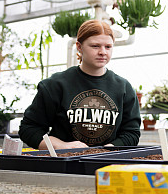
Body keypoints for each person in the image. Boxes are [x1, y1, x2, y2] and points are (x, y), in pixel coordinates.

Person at [19, 19, 141, 150]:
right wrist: (62, 146)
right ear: (79, 46)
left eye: (108, 47)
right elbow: (29, 129)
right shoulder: (55, 85)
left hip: (108, 165)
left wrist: (108, 150)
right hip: (63, 166)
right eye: (95, 46)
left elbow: (131, 133)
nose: (103, 52)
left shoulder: (124, 88)